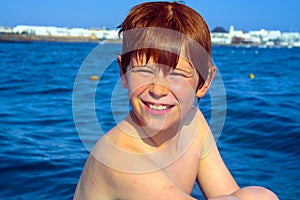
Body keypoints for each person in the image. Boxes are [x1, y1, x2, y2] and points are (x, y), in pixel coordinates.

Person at [74, 1, 278, 199]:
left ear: (205, 82)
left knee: (259, 196)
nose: (158, 89)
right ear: (123, 72)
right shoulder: (120, 160)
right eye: (143, 71)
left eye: (177, 74)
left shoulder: (193, 122)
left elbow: (226, 190)